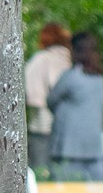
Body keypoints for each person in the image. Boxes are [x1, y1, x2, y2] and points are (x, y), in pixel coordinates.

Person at [46, 31, 103, 181]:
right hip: (94, 150)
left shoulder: (70, 77)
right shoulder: (99, 79)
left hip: (67, 149)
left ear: (74, 51)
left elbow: (51, 101)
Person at [23, 23, 71, 175]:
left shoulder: (42, 59)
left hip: (42, 124)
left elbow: (27, 85)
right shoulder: (72, 59)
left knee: (40, 169)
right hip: (67, 126)